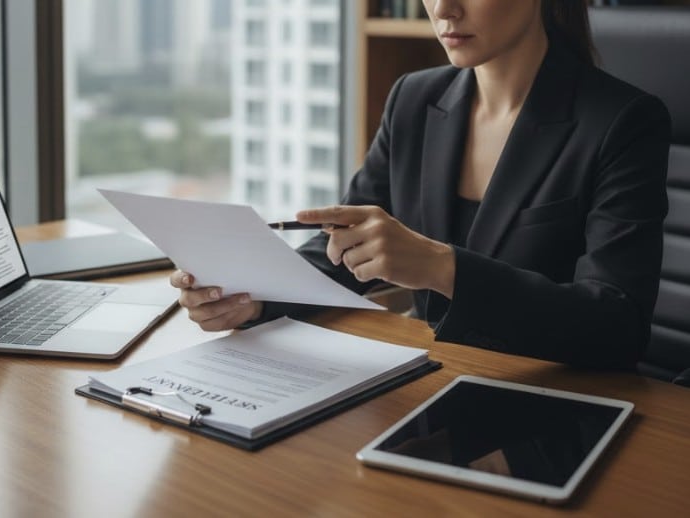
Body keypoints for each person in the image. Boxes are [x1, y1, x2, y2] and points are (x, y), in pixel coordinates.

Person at [171, 0, 670, 369]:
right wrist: (252, 298)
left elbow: (617, 328)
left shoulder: (622, 121)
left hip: (556, 403)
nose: (442, 9)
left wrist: (441, 267)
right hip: (435, 379)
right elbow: (340, 253)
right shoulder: (413, 98)